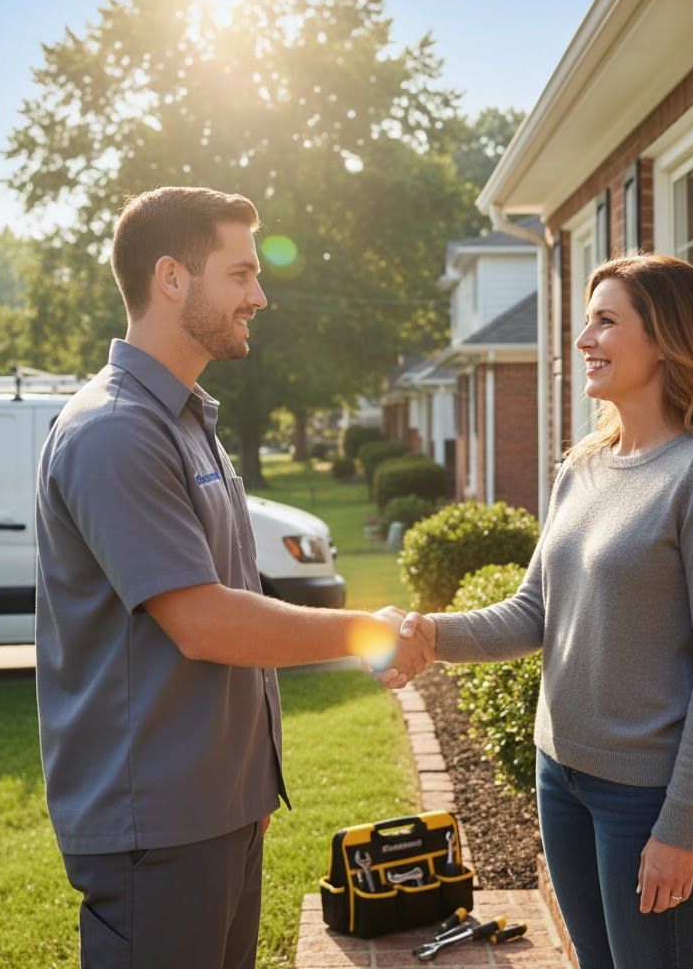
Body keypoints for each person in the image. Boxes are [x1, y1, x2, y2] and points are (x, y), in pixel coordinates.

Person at [34, 186, 433, 969]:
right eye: (241, 272)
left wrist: (249, 791)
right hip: (156, 824)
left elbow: (232, 595)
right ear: (172, 278)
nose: (260, 294)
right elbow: (206, 622)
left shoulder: (187, 422)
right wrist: (363, 630)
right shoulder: (115, 431)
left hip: (216, 812)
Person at [388, 254, 693, 969]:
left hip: (644, 796)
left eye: (606, 321)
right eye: (586, 321)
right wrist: (428, 633)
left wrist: (681, 826)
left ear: (667, 341)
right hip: (559, 771)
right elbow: (535, 612)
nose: (583, 340)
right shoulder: (581, 466)